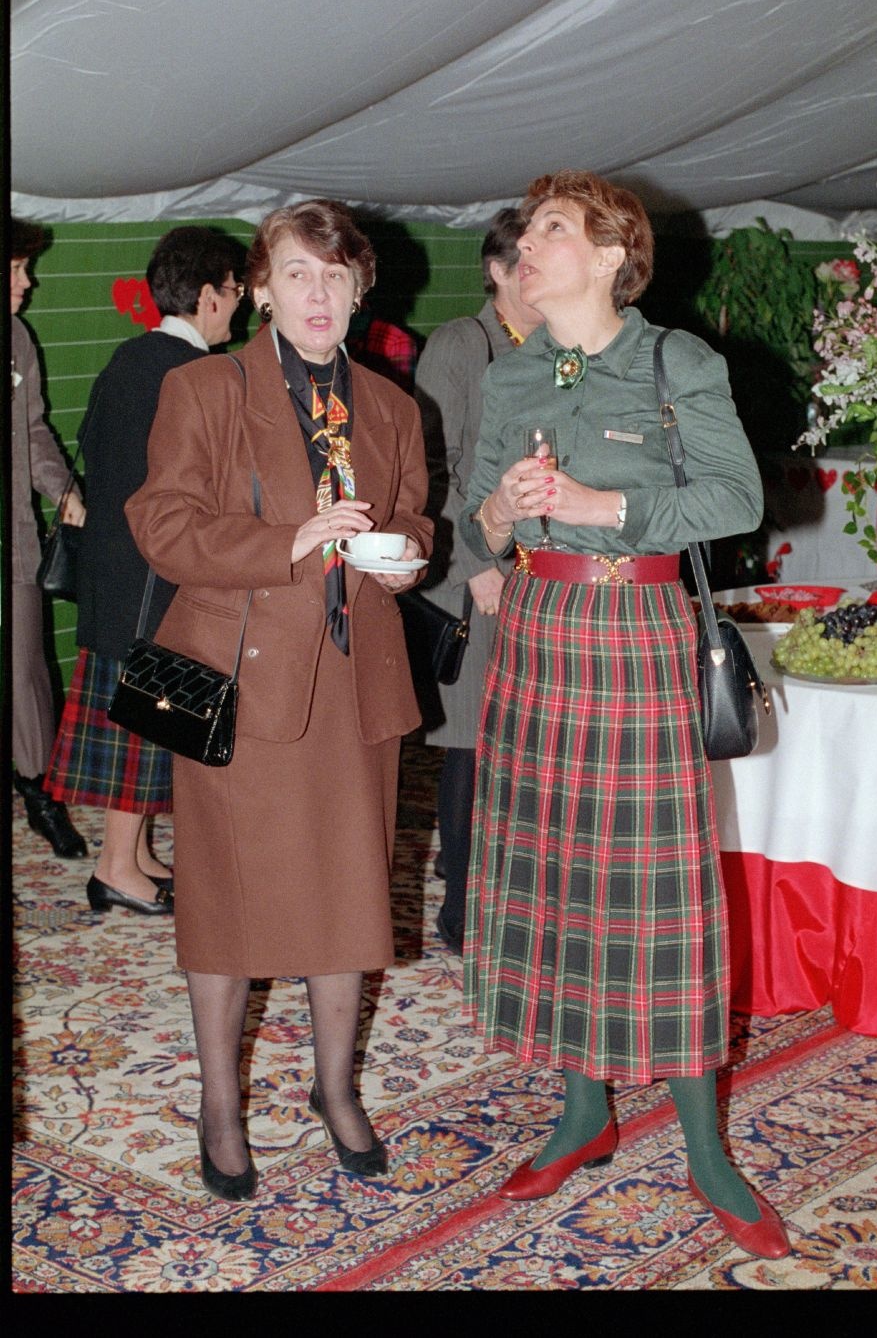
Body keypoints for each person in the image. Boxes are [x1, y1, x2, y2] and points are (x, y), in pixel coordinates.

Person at [459, 170, 790, 1259]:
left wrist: (611, 506)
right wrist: (501, 513)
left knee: (660, 893)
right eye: (531, 230)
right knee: (555, 879)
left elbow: (739, 497)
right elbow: (480, 527)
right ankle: (583, 1114)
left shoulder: (672, 361)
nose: (532, 242)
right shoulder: (509, 377)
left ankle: (705, 1151)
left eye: (555, 228)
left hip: (639, 639)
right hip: (540, 641)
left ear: (610, 256)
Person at [126, 198, 432, 1202]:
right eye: (298, 273)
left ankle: (335, 1090)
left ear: (360, 290)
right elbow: (161, 522)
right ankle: (221, 1104)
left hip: (354, 688)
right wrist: (285, 544)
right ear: (261, 285)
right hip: (238, 686)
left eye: (336, 278)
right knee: (226, 905)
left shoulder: (391, 407)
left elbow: (415, 516)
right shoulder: (205, 388)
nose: (318, 295)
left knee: (348, 900)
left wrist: (409, 560)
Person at [45, 227, 246, 917]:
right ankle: (113, 869)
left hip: (114, 573)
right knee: (143, 725)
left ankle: (131, 857)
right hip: (151, 579)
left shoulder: (130, 358)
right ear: (211, 295)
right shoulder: (190, 373)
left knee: (134, 721)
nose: (240, 306)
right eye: (236, 290)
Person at [413, 208, 543, 954]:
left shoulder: (555, 346)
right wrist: (476, 567)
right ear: (496, 271)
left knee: (524, 747)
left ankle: (514, 898)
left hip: (538, 575)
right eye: (525, 260)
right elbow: (437, 470)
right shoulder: (462, 344)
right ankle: (462, 913)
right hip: (476, 576)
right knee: (470, 750)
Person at [9, 217, 88, 857]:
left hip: (15, 544)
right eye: (14, 269)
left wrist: (63, 490)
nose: (26, 282)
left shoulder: (17, 339)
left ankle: (38, 790)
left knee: (26, 672)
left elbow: (34, 430)